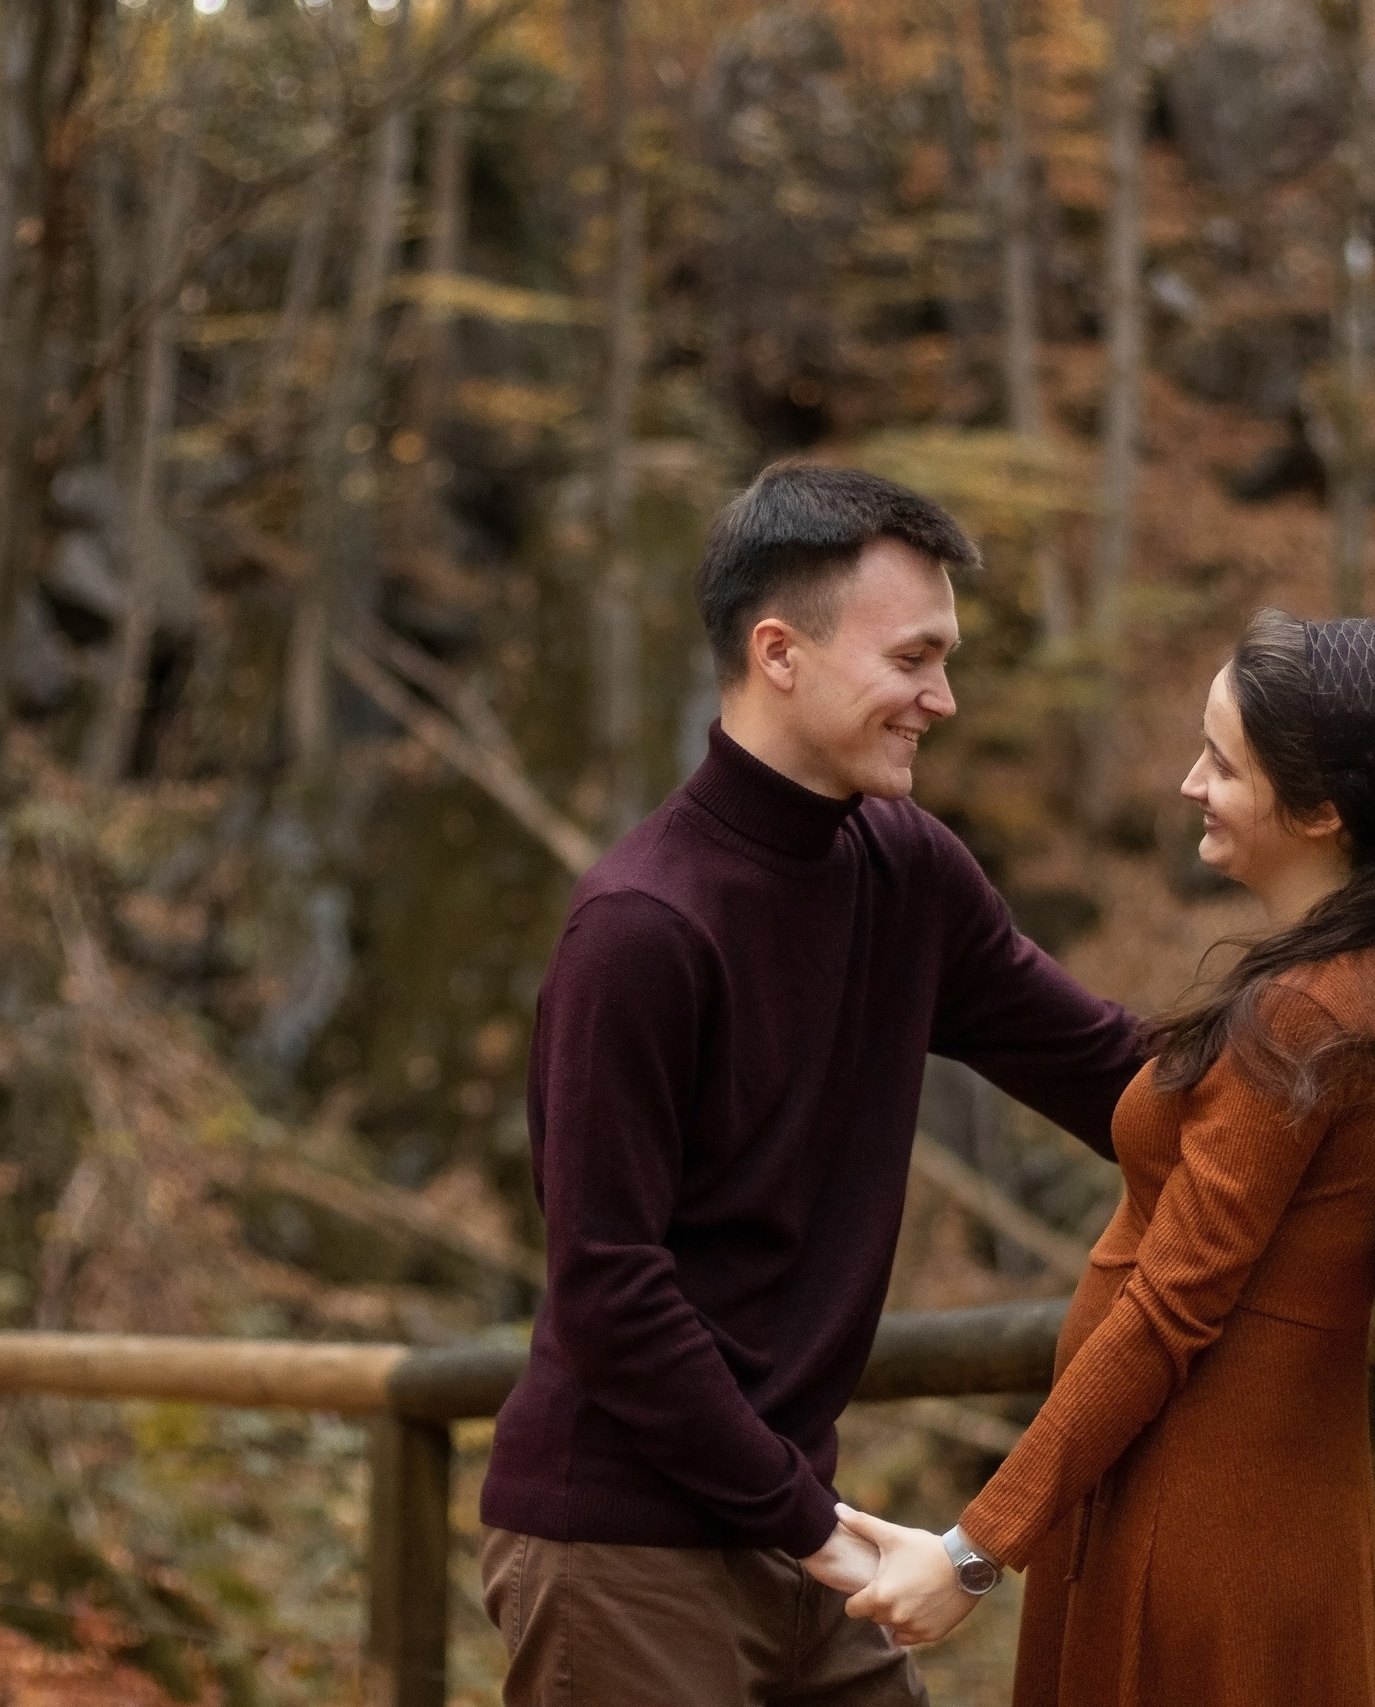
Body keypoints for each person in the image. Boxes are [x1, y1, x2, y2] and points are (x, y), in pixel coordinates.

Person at [477, 462, 1149, 1707]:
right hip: (621, 1549)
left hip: (792, 1529)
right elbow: (609, 1290)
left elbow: (1110, 1070)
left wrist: (1339, 1041)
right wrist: (824, 1531)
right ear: (779, 653)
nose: (941, 698)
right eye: (912, 660)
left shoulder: (905, 870)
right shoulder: (640, 929)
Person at [836, 611, 1375, 1707]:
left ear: (1322, 809)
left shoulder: (1306, 1014)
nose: (1191, 782)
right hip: (1244, 1501)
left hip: (1195, 1520)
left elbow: (1171, 1305)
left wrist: (972, 1550)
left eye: (1222, 762)